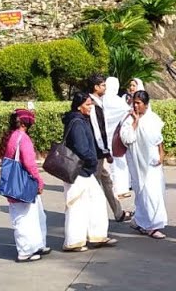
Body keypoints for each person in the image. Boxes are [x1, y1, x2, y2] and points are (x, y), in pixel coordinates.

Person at [60, 91, 117, 252]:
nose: (90, 107)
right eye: (87, 104)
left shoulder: (79, 120)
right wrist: (92, 160)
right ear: (79, 106)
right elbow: (81, 147)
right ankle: (73, 242)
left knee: (96, 200)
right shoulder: (77, 122)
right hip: (79, 171)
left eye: (91, 103)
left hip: (85, 171)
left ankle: (97, 236)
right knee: (77, 205)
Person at [1, 108, 50, 262]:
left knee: (33, 214)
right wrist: (39, 180)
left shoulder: (12, 137)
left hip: (14, 182)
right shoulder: (24, 138)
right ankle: (25, 251)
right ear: (25, 122)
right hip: (24, 183)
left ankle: (36, 245)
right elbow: (29, 163)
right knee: (25, 217)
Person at [120, 89, 169, 239]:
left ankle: (145, 222)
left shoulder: (153, 118)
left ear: (146, 105)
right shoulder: (128, 119)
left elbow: (159, 140)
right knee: (144, 193)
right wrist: (135, 122)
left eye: (138, 103)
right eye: (134, 103)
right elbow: (127, 139)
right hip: (138, 164)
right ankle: (150, 226)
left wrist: (161, 154)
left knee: (155, 193)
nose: (135, 106)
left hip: (154, 164)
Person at [85, 75, 132, 223]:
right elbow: (97, 131)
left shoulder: (100, 102)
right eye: (103, 85)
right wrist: (105, 151)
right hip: (97, 152)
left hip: (100, 150)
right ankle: (94, 219)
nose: (105, 88)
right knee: (95, 186)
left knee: (107, 181)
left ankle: (118, 212)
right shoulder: (91, 104)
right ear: (96, 87)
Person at [101, 76, 132, 198]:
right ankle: (121, 189)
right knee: (119, 163)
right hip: (116, 138)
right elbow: (129, 111)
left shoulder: (102, 100)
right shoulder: (118, 102)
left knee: (107, 164)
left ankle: (110, 189)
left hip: (104, 138)